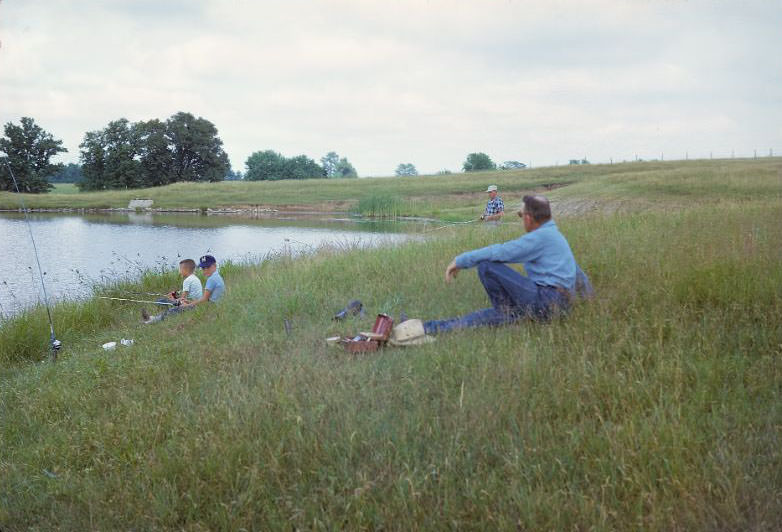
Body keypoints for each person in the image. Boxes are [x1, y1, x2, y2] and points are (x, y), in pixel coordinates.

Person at [422, 194, 592, 335]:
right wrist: (589, 300)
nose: (521, 219)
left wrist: (460, 260)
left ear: (528, 218)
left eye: (520, 215)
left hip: (546, 301)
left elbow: (502, 251)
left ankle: (506, 314)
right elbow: (577, 273)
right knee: (492, 310)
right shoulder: (555, 236)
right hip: (559, 304)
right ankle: (507, 315)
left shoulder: (541, 237)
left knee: (486, 266)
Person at [141, 258, 203, 323]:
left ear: (186, 270)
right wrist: (175, 296)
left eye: (180, 269)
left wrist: (173, 299)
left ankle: (151, 320)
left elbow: (182, 299)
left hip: (190, 305)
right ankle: (153, 317)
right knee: (166, 303)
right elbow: (187, 295)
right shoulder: (194, 278)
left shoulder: (187, 280)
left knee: (165, 304)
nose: (179, 271)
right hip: (194, 303)